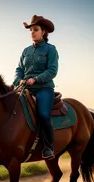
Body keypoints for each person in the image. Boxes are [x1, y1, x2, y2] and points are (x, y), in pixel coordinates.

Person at [13, 15, 59, 160]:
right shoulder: (26, 51)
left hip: (44, 88)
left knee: (43, 114)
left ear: (43, 32)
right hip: (25, 88)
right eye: (31, 30)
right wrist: (18, 80)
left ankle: (48, 147)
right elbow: (19, 68)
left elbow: (52, 70)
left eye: (35, 29)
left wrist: (36, 79)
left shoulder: (51, 50)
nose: (32, 32)